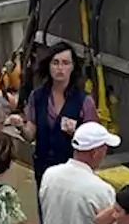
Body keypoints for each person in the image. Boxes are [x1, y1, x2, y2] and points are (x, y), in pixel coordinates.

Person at [20, 42, 99, 186]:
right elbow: (30, 135)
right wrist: (21, 127)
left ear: (73, 66)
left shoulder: (84, 101)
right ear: (49, 66)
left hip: (72, 173)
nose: (60, 68)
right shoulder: (37, 97)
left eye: (65, 63)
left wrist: (76, 132)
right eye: (55, 63)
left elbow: (93, 141)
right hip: (44, 170)